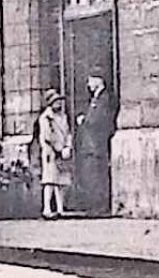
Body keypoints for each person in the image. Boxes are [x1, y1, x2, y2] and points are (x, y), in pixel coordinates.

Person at [72, 70, 116, 216]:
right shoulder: (96, 98)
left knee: (97, 176)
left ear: (98, 81)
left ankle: (100, 207)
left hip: (97, 145)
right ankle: (94, 206)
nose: (88, 84)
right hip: (92, 145)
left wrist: (84, 120)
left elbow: (99, 120)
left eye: (90, 81)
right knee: (92, 176)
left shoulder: (104, 98)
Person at [37, 89, 73, 220]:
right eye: (56, 101)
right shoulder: (46, 118)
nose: (58, 104)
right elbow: (48, 136)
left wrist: (68, 146)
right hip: (51, 152)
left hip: (63, 150)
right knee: (50, 181)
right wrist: (59, 149)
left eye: (59, 101)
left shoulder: (63, 117)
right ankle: (47, 208)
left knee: (61, 181)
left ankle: (60, 208)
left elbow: (68, 133)